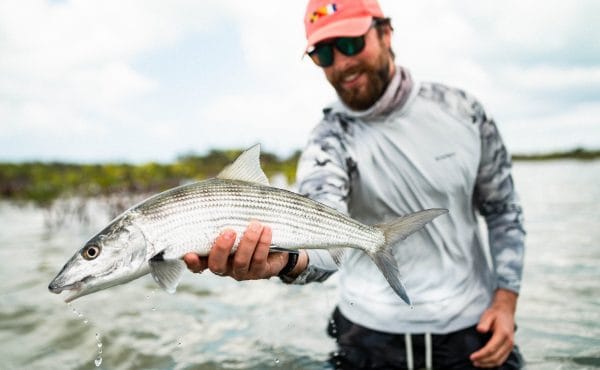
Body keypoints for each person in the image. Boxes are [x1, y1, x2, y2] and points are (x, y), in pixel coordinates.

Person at [184, 0, 526, 368]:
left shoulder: (463, 111)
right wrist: (284, 261)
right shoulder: (328, 140)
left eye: (349, 43)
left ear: (385, 32)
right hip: (367, 336)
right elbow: (322, 235)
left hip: (472, 330)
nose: (341, 63)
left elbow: (503, 210)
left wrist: (506, 302)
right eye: (323, 54)